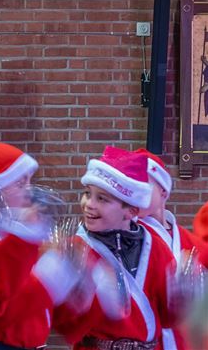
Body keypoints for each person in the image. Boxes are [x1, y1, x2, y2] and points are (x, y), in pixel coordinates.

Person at [52, 146, 179, 350]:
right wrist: (80, 298)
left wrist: (182, 297)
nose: (88, 204)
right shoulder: (75, 250)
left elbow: (168, 317)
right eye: (87, 193)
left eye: (102, 198)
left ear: (131, 210)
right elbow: (65, 327)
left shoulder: (154, 244)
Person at [0, 142, 81, 350]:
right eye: (20, 183)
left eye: (29, 182)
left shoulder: (25, 240)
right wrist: (46, 280)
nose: (29, 192)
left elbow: (45, 313)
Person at [135, 148, 208, 349]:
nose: (135, 190)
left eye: (142, 183)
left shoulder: (195, 244)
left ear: (163, 191)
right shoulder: (125, 240)